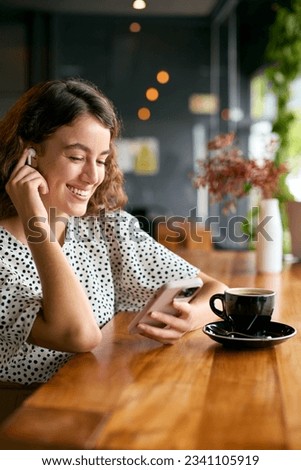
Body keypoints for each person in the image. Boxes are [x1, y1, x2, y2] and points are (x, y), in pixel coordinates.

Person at [0, 78, 226, 419]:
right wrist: (35, 219)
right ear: (28, 155)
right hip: (26, 420)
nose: (93, 176)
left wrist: (192, 317)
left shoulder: (104, 227)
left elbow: (217, 291)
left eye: (102, 159)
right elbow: (78, 334)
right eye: (77, 156)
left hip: (99, 401)